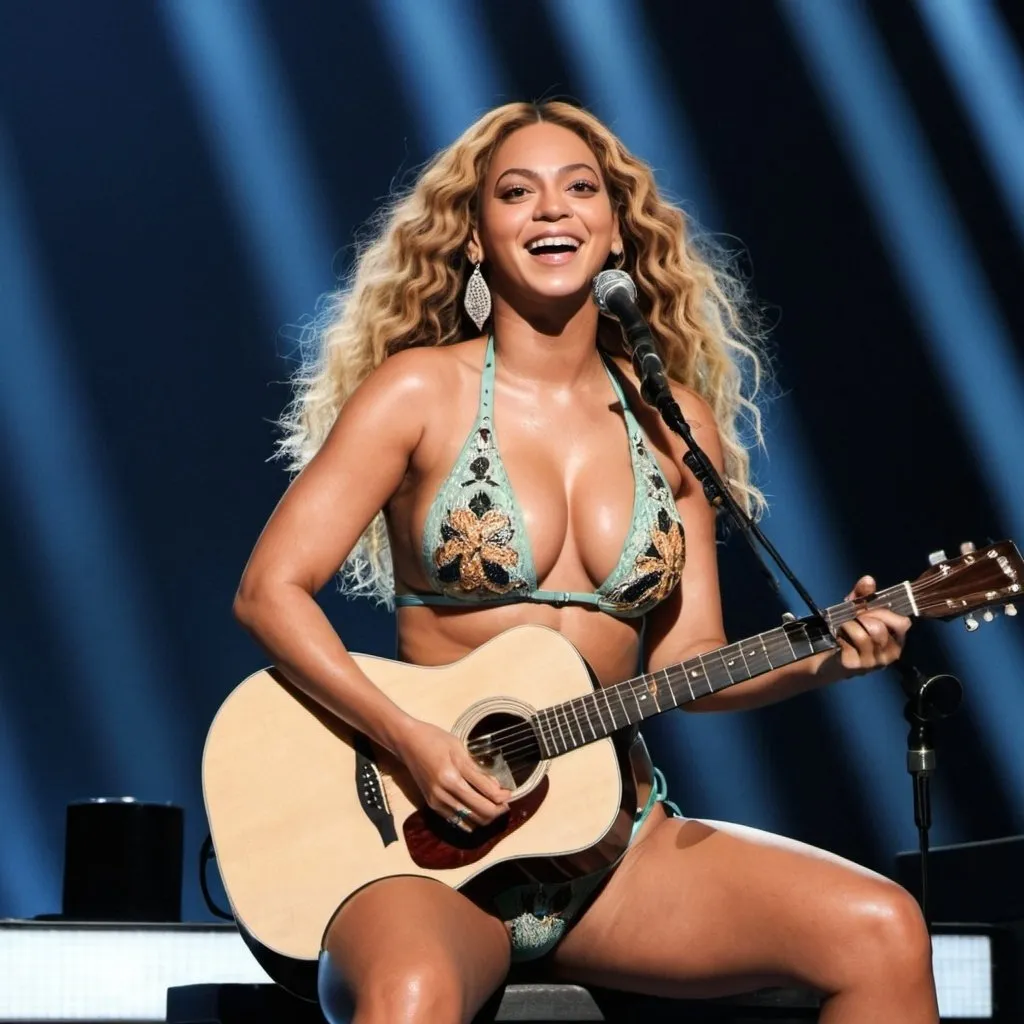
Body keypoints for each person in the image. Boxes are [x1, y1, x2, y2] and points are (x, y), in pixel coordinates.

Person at [233, 101, 938, 1024]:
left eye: (580, 190)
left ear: (614, 232)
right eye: (516, 193)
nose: (551, 211)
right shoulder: (419, 391)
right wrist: (411, 739)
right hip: (423, 850)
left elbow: (690, 662)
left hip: (613, 847)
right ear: (476, 238)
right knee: (413, 993)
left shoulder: (673, 420)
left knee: (884, 927)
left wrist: (825, 657)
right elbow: (268, 593)